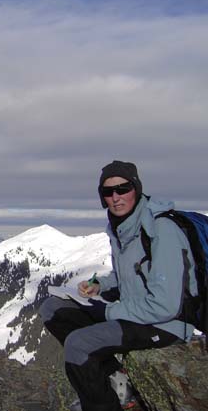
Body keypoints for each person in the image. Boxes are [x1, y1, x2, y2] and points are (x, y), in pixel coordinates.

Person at [39, 160, 198, 411]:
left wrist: (108, 312)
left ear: (136, 188)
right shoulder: (122, 227)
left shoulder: (161, 230)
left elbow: (165, 305)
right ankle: (116, 380)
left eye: (123, 189)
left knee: (79, 345)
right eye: (108, 192)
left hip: (166, 324)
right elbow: (127, 275)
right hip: (136, 313)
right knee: (52, 309)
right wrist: (97, 285)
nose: (115, 197)